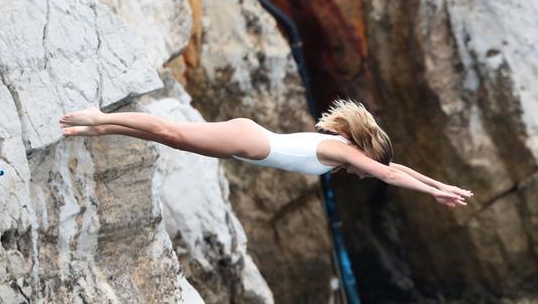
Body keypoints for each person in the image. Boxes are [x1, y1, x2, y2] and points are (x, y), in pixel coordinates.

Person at [59, 99, 472, 208]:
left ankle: (98, 126)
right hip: (249, 142)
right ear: (365, 156)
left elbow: (394, 167)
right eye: (367, 167)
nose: (362, 175)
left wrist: (440, 185)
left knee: (169, 138)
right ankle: (100, 116)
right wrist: (432, 194)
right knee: (171, 132)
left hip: (248, 141)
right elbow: (389, 174)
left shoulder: (345, 151)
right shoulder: (344, 154)